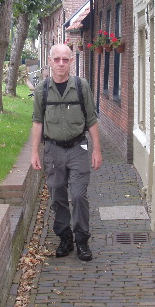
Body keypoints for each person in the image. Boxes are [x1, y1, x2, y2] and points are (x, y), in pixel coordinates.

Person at [31, 43, 102, 261]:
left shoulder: (81, 86)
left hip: (77, 149)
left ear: (71, 61)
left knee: (79, 195)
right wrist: (35, 152)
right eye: (57, 59)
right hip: (52, 150)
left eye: (65, 59)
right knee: (57, 196)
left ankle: (82, 240)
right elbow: (37, 122)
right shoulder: (42, 90)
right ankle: (65, 238)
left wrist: (96, 149)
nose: (61, 63)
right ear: (50, 61)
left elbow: (91, 119)